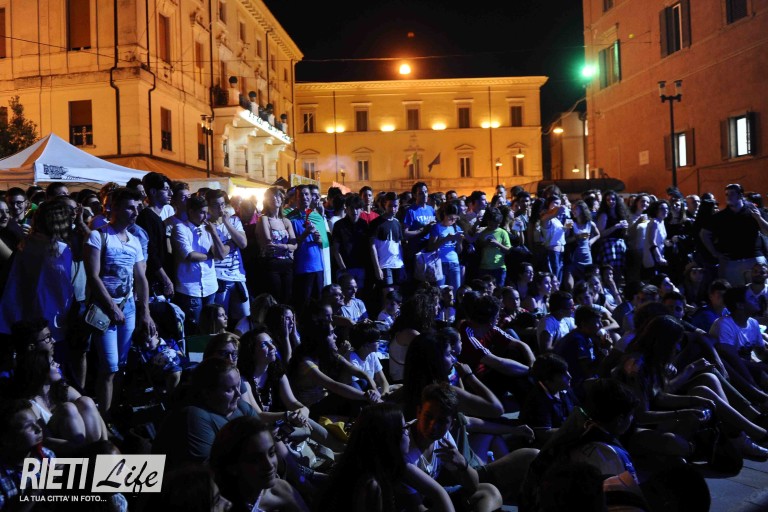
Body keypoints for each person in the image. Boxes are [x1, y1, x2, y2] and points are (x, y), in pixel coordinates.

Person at [84, 187, 155, 415]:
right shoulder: (98, 236)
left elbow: (141, 278)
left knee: (121, 365)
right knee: (109, 366)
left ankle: (113, 413)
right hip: (105, 309)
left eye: (137, 208)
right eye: (130, 208)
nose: (135, 212)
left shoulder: (134, 240)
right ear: (114, 208)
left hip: (128, 307)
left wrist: (145, 312)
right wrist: (112, 307)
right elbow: (93, 276)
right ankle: (103, 418)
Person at [405, 383, 503, 512]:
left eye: (442, 421)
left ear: (451, 424)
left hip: (431, 499)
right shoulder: (404, 447)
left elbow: (472, 486)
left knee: (489, 491)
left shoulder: (444, 438)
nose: (433, 426)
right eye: (428, 416)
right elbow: (416, 507)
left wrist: (463, 464)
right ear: (419, 412)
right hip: (410, 505)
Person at [152, 357, 259, 470]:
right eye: (229, 389)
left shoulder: (242, 407)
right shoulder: (193, 417)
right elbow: (208, 473)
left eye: (238, 385)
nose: (238, 394)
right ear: (207, 393)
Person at [13, 349, 108, 451]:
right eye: (52, 363)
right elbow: (45, 440)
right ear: (41, 370)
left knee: (86, 401)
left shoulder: (63, 389)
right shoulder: (32, 404)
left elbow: (95, 413)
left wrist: (107, 445)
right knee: (68, 408)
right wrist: (80, 448)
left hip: (88, 445)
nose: (58, 365)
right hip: (64, 449)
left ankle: (101, 450)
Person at [209, 416, 310, 512]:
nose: (269, 465)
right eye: (255, 460)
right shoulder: (216, 503)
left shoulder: (282, 490)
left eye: (271, 453)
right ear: (232, 467)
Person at [172, 195, 227, 335]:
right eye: (202, 212)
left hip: (210, 286)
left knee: (211, 327)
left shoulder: (207, 230)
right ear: (191, 211)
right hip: (190, 288)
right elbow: (190, 255)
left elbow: (221, 254)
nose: (205, 217)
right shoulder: (180, 228)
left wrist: (214, 233)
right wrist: (210, 257)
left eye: (206, 212)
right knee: (194, 330)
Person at [700, 183, 768, 286]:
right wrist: (715, 253)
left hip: (753, 258)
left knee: (759, 289)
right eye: (726, 194)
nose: (728, 196)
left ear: (740, 195)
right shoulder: (720, 216)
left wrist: (758, 218)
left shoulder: (754, 211)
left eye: (732, 194)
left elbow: (766, 232)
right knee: (734, 291)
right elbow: (704, 234)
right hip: (731, 261)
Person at [0, 400, 56, 509]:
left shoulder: (47, 455)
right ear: (7, 439)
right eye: (28, 426)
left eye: (37, 422)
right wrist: (34, 492)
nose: (39, 429)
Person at [207, 189, 250, 329]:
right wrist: (232, 243)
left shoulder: (234, 220)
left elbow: (243, 243)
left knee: (244, 318)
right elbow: (219, 253)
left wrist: (227, 223)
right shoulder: (207, 226)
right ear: (208, 206)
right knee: (220, 322)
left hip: (237, 277)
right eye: (215, 205)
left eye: (222, 204)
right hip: (219, 278)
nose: (220, 209)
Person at [136, 172, 174, 299]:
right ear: (153, 192)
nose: (171, 193)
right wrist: (166, 280)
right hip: (153, 282)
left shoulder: (156, 217)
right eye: (166, 189)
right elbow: (151, 254)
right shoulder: (146, 218)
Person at [255, 186, 296, 305]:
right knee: (275, 297)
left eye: (277, 196)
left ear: (282, 199)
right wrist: (288, 247)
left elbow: (295, 244)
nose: (275, 199)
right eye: (271, 197)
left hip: (287, 264)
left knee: (287, 297)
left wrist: (285, 247)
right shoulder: (264, 219)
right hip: (272, 263)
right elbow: (269, 243)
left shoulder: (286, 221)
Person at [287, 185, 325, 312]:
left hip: (318, 267)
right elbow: (291, 244)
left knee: (318, 305)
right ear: (296, 198)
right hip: (302, 268)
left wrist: (319, 239)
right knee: (303, 306)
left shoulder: (317, 217)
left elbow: (324, 243)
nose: (304, 197)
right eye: (301, 195)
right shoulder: (290, 218)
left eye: (307, 194)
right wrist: (305, 234)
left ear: (311, 197)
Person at [331, 194, 370, 289]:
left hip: (361, 267)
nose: (354, 211)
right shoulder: (339, 225)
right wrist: (343, 268)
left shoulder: (364, 224)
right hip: (345, 268)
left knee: (360, 293)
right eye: (352, 208)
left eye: (357, 208)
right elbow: (336, 250)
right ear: (346, 208)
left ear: (361, 209)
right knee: (344, 294)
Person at [370, 192, 406, 290]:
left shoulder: (397, 222)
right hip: (384, 264)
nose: (393, 209)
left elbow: (399, 245)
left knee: (397, 292)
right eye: (390, 206)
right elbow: (372, 246)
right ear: (384, 204)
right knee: (388, 291)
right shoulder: (376, 223)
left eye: (395, 206)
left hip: (398, 264)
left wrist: (402, 264)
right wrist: (377, 268)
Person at [426, 201, 464, 291]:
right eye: (450, 218)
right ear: (445, 214)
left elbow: (459, 251)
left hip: (454, 262)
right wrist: (446, 239)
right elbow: (430, 247)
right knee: (440, 291)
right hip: (440, 263)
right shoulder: (437, 227)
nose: (453, 221)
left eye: (455, 219)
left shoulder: (456, 228)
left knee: (455, 291)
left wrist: (459, 242)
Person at [642, 200, 670, 278]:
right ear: (656, 210)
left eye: (667, 208)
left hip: (659, 255)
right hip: (652, 257)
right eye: (662, 208)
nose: (665, 210)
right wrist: (659, 257)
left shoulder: (662, 222)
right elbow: (652, 241)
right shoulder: (654, 222)